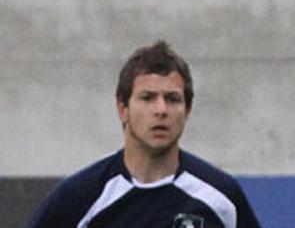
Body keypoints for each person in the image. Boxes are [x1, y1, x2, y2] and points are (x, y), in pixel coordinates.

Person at [28, 40, 262, 228]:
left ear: (187, 109)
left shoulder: (220, 196)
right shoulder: (79, 197)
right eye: (147, 98)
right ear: (123, 109)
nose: (161, 110)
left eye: (172, 99)